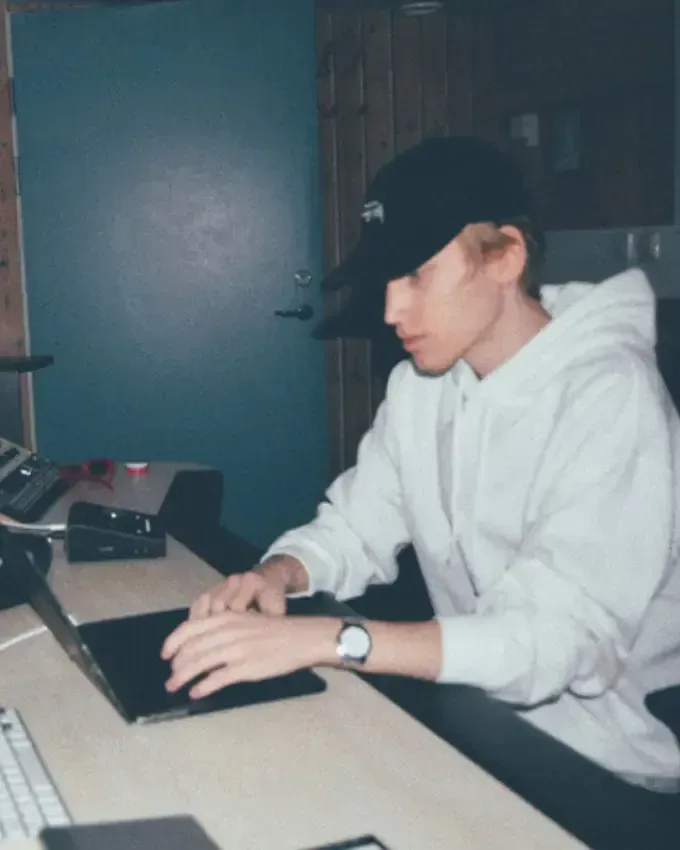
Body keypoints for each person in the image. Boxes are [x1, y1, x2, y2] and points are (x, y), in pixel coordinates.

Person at [161, 136, 680, 791]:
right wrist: (280, 573)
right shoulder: (423, 386)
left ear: (507, 257)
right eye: (387, 278)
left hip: (611, 772)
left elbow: (556, 639)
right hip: (477, 725)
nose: (389, 310)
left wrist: (338, 639)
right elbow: (356, 525)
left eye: (416, 275)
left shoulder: (610, 397)